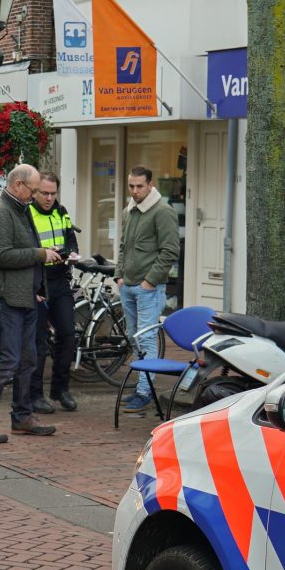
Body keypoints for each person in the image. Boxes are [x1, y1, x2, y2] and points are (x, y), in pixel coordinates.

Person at [0, 163, 60, 444]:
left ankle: (22, 416)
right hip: (7, 297)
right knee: (9, 359)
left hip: (26, 297)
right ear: (18, 185)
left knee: (28, 359)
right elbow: (3, 256)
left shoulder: (19, 210)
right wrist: (40, 254)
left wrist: (37, 287)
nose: (35, 196)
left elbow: (25, 250)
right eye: (32, 190)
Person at [116, 166, 180, 413]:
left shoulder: (163, 212)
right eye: (131, 186)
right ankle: (142, 384)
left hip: (147, 288)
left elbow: (170, 251)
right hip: (128, 285)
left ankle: (145, 391)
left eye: (139, 186)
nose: (135, 191)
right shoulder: (128, 211)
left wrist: (150, 281)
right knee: (135, 338)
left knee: (146, 338)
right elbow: (123, 246)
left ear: (150, 184)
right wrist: (119, 275)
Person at [29, 170, 79, 413]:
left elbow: (71, 242)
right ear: (35, 191)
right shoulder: (27, 213)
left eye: (52, 193)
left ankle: (60, 389)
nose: (49, 198)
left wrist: (68, 253)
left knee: (68, 335)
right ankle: (35, 395)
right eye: (44, 193)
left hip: (59, 279)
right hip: (37, 281)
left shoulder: (62, 212)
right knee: (38, 342)